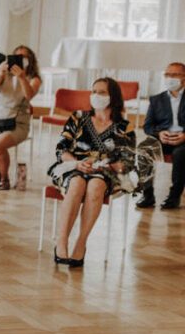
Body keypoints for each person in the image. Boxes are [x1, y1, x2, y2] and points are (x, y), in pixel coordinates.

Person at [47, 78, 134, 267]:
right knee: (77, 183)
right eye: (93, 91)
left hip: (104, 171)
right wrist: (77, 163)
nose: (95, 96)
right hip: (72, 166)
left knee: (95, 186)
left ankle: (81, 243)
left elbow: (126, 163)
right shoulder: (78, 117)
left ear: (113, 97)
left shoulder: (124, 127)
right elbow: (61, 149)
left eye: (101, 92)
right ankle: (61, 242)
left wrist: (104, 165)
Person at [0, 45, 41, 190]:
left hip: (18, 121)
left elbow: (29, 95)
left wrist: (22, 77)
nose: (21, 59)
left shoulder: (34, 79)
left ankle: (5, 178)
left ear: (30, 60)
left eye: (25, 57)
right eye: (17, 56)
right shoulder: (4, 73)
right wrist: (0, 72)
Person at [137, 62, 185, 210]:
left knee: (180, 154)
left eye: (175, 74)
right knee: (144, 149)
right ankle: (147, 195)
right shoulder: (156, 99)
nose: (170, 78)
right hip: (163, 138)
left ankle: (174, 197)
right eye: (167, 74)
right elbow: (147, 126)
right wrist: (159, 133)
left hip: (183, 140)